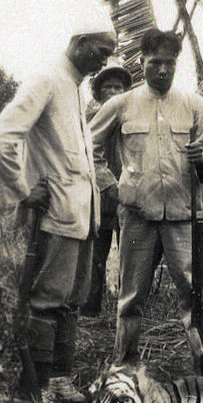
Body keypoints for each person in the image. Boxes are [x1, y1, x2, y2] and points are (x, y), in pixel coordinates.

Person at [0, 27, 117, 403]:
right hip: (56, 214)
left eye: (108, 54)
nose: (103, 61)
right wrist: (23, 191)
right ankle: (39, 386)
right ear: (79, 42)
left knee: (71, 301)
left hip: (81, 215)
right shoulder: (46, 78)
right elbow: (1, 136)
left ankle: (60, 380)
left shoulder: (74, 87)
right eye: (100, 51)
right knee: (47, 301)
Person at [90, 29, 203, 368]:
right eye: (155, 62)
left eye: (169, 63)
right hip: (137, 215)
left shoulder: (195, 104)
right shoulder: (122, 104)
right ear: (142, 61)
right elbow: (89, 147)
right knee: (131, 296)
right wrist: (111, 187)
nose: (162, 70)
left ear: (177, 64)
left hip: (184, 215)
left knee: (195, 295)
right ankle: (124, 365)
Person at [81, 60, 133, 317]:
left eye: (118, 87)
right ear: (98, 93)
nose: (113, 92)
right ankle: (90, 308)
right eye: (108, 87)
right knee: (95, 254)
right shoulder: (90, 121)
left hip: (129, 197)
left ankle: (127, 308)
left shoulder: (132, 122)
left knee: (130, 253)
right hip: (99, 196)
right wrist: (107, 184)